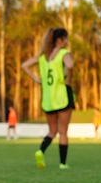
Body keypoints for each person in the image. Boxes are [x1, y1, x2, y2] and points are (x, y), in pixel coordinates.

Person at [22, 27, 74, 169]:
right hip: (62, 96)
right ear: (59, 40)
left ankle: (40, 151)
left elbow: (24, 65)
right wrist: (68, 80)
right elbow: (70, 66)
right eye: (66, 38)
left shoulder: (43, 57)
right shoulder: (64, 53)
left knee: (52, 131)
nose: (67, 42)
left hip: (48, 99)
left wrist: (35, 78)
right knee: (63, 132)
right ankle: (62, 164)